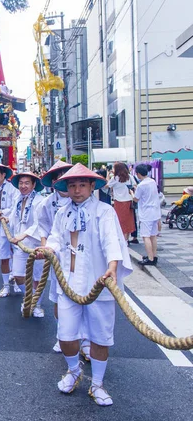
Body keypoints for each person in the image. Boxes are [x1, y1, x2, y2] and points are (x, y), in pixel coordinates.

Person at [36, 163, 132, 406]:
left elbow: (111, 240)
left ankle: (97, 383)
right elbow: (56, 237)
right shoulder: (62, 212)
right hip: (68, 283)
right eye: (72, 185)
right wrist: (47, 249)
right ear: (66, 188)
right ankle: (73, 371)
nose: (77, 190)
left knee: (100, 337)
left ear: (92, 186)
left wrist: (112, 266)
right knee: (66, 335)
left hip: (98, 282)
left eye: (81, 185)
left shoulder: (104, 211)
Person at [36, 161, 74, 352]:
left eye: (65, 175)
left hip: (82, 258)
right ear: (53, 182)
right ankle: (62, 335)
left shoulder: (82, 200)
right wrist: (46, 248)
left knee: (83, 300)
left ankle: (84, 340)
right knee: (60, 298)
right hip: (58, 256)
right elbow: (44, 228)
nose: (62, 180)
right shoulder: (46, 203)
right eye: (58, 177)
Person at [8, 171, 45, 317]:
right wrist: (4, 217)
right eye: (21, 183)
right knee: (18, 275)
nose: (23, 186)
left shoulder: (40, 201)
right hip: (19, 244)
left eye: (27, 183)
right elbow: (13, 217)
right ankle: (29, 298)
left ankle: (37, 305)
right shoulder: (18, 198)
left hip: (35, 243)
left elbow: (40, 223)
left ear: (34, 184)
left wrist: (24, 234)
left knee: (37, 278)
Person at [0, 163, 20, 298]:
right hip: (1, 226)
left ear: (3, 175)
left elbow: (15, 206)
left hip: (13, 225)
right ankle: (6, 286)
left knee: (18, 255)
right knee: (3, 256)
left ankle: (18, 283)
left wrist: (2, 212)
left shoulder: (13, 188)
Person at [131, 164, 161, 266]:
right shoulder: (152, 181)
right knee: (153, 235)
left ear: (138, 174)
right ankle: (154, 256)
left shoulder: (141, 185)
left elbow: (136, 199)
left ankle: (150, 258)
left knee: (146, 236)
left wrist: (132, 193)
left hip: (146, 213)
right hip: (155, 212)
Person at [107, 162, 136, 242]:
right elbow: (135, 186)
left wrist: (108, 175)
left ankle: (121, 238)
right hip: (128, 202)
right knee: (128, 221)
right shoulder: (129, 177)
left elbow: (107, 186)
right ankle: (126, 239)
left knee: (120, 221)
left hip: (118, 202)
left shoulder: (115, 178)